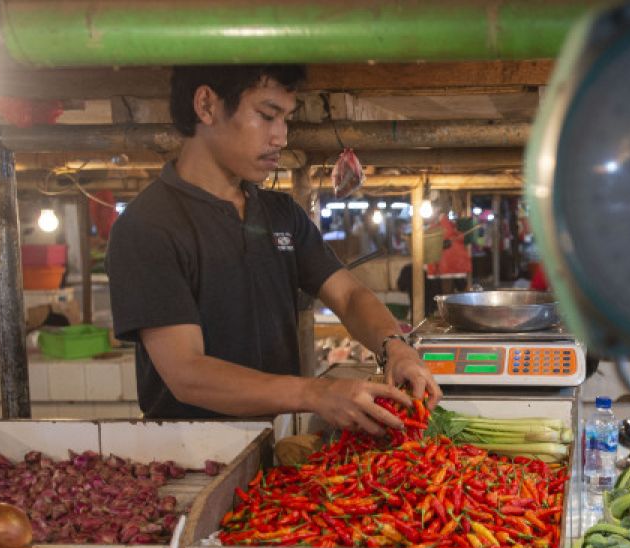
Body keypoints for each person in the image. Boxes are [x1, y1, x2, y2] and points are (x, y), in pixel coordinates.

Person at [107, 65, 440, 432]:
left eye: (286, 119)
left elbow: (348, 296)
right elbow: (187, 372)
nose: (281, 137)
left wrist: (394, 346)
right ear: (206, 105)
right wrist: (316, 393)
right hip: (195, 452)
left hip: (277, 439)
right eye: (267, 116)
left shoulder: (281, 215)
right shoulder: (149, 226)